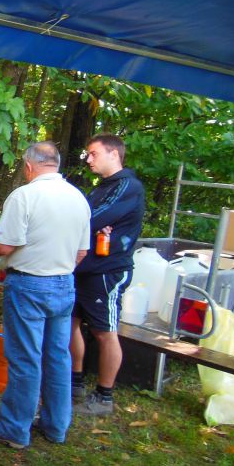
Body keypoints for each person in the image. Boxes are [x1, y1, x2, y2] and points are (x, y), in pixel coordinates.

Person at [0, 142, 90, 448]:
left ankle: (14, 429)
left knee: (25, 358)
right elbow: (83, 251)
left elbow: (6, 246)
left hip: (30, 286)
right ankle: (56, 426)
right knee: (58, 357)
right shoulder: (78, 198)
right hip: (64, 284)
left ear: (29, 166)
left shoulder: (25, 195)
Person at [70, 134, 146, 416]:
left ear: (114, 154)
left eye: (93, 154)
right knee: (70, 323)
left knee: (104, 332)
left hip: (107, 271)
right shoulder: (101, 187)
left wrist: (87, 225)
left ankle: (104, 396)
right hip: (82, 268)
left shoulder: (128, 186)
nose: (88, 159)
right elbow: (87, 218)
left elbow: (92, 218)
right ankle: (73, 383)